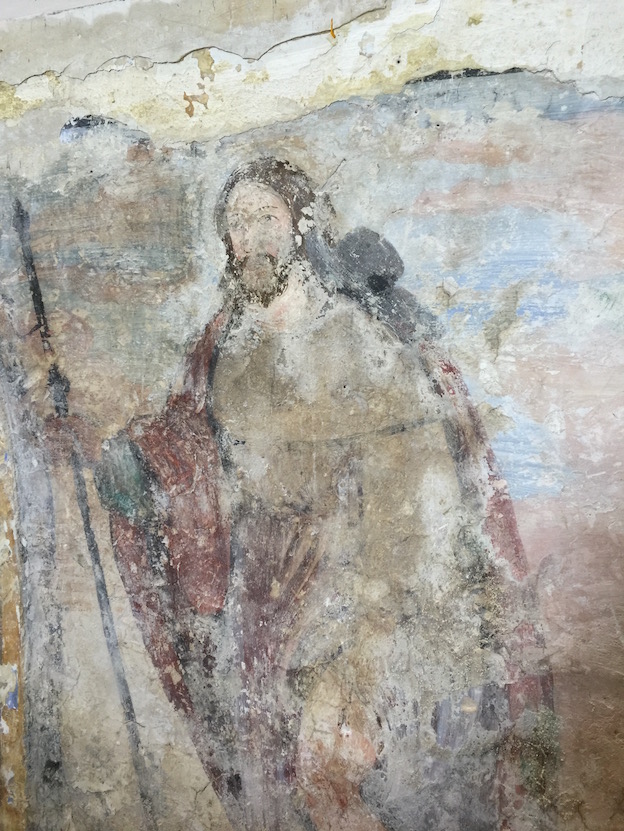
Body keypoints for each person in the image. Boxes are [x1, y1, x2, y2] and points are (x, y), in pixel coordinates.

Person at [94, 158, 556, 831]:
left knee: (332, 777)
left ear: (301, 225)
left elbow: (411, 495)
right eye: (238, 223)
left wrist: (367, 634)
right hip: (264, 609)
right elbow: (188, 440)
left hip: (361, 601)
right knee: (282, 793)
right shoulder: (223, 344)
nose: (252, 237)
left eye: (267, 219)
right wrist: (135, 462)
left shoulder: (359, 340)